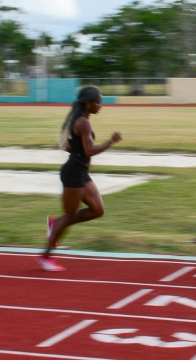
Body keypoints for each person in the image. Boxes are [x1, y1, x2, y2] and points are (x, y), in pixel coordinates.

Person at [37, 86, 123, 271]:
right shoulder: (84, 123)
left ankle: (55, 223)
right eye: (98, 102)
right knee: (69, 216)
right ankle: (45, 257)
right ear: (88, 102)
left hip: (81, 173)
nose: (100, 105)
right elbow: (89, 151)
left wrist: (77, 151)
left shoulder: (79, 120)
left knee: (98, 210)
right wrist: (111, 141)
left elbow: (70, 145)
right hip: (74, 174)